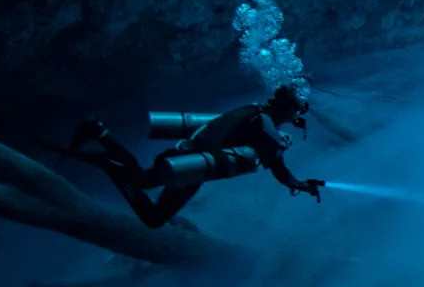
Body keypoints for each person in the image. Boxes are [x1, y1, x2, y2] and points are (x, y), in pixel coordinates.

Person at [47, 86, 325, 228]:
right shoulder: (266, 129)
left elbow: (232, 131)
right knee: (151, 213)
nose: (296, 119)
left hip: (189, 156)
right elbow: (278, 169)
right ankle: (105, 155)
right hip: (190, 167)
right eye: (296, 113)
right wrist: (300, 185)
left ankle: (101, 136)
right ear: (288, 110)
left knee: (144, 182)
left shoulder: (255, 111)